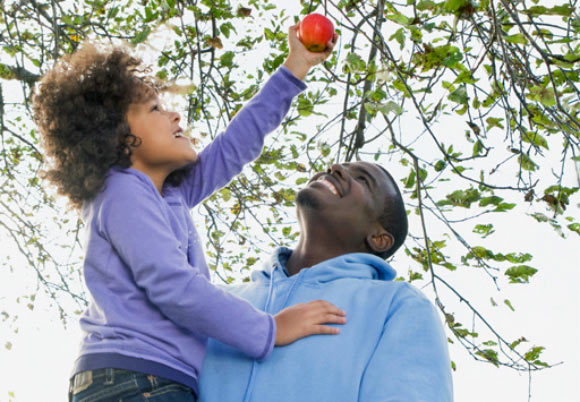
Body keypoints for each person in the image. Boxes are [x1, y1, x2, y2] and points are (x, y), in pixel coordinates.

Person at [32, 25, 346, 402]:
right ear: (117, 135)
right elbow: (174, 286)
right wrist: (269, 329)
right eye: (155, 109)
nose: (176, 116)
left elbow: (235, 146)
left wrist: (295, 67)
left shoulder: (169, 194)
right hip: (134, 379)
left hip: (147, 380)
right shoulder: (121, 191)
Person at [198, 161, 454, 402]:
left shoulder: (398, 306)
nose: (335, 168)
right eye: (341, 165)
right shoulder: (215, 299)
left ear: (378, 238)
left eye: (363, 180)